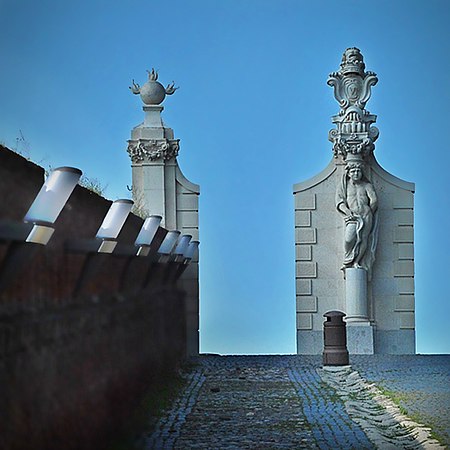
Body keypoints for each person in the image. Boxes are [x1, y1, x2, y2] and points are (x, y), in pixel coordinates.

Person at [336, 160, 378, 274]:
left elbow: (373, 200)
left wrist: (368, 211)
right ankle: (348, 259)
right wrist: (347, 211)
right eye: (353, 171)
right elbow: (340, 201)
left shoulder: (367, 185)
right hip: (352, 217)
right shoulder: (344, 186)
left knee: (363, 239)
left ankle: (357, 261)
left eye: (358, 171)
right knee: (349, 239)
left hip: (366, 215)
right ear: (348, 173)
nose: (356, 173)